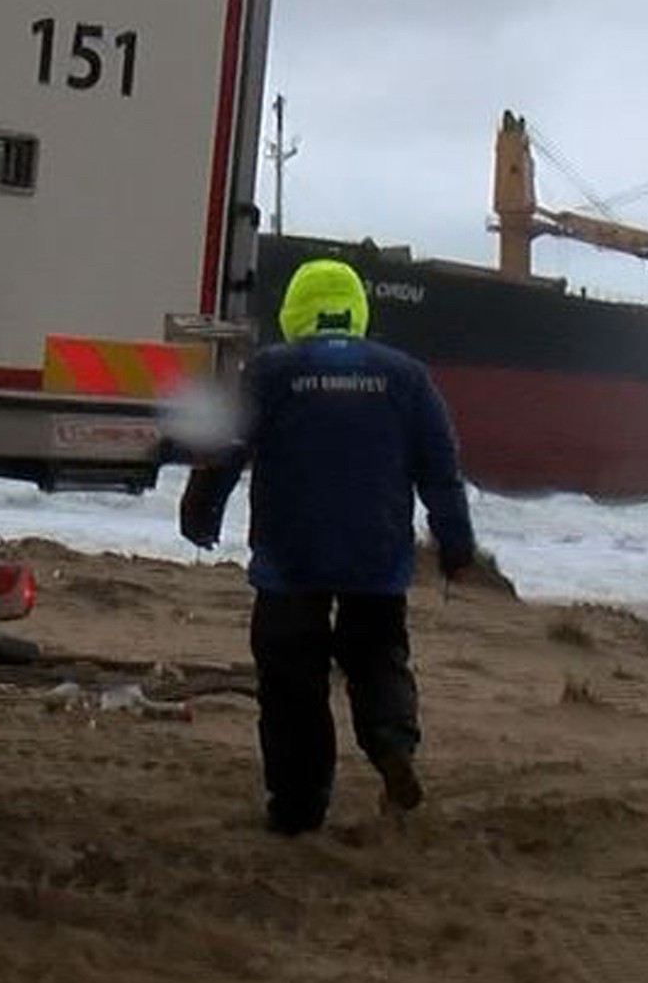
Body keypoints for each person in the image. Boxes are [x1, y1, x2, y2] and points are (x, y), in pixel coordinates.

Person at [180, 258, 500, 835]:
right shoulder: (406, 376)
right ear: (358, 309)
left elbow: (227, 447)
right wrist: (456, 545)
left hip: (290, 557)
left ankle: (299, 809)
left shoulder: (271, 371)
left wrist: (201, 515)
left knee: (291, 684)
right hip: (375, 555)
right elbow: (440, 469)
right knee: (379, 657)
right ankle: (391, 744)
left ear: (294, 311)